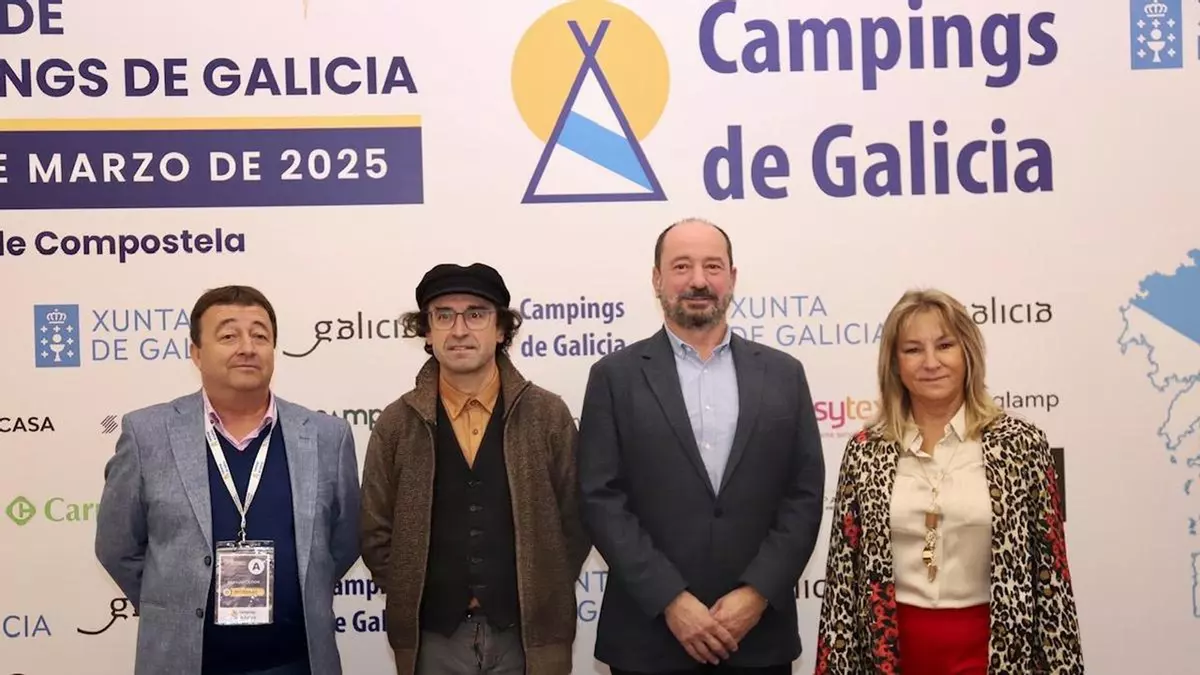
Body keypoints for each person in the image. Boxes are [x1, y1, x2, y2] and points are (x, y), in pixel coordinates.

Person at [576, 218, 826, 674]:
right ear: (657, 279)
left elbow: (804, 496)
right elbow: (601, 499)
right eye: (681, 266)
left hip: (756, 639)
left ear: (732, 276)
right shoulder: (614, 377)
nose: (698, 280)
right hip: (648, 641)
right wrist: (670, 600)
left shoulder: (784, 374)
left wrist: (756, 595)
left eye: (712, 266)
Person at [94, 285, 362, 675]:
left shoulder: (326, 436)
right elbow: (117, 546)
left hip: (297, 662)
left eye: (260, 336)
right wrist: (172, 602)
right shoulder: (146, 434)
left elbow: (344, 541)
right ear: (196, 353)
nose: (247, 348)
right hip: (184, 663)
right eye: (229, 336)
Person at [814, 289, 1084, 674]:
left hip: (996, 655)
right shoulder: (865, 451)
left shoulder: (1021, 445)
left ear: (967, 353)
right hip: (891, 658)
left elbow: (1051, 579)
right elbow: (843, 583)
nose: (931, 362)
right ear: (895, 364)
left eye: (944, 345)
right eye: (913, 350)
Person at [359, 262, 590, 675]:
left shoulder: (547, 415)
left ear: (501, 329)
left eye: (476, 314)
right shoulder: (397, 423)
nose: (459, 330)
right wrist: (412, 591)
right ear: (427, 331)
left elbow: (577, 520)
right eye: (444, 315)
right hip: (432, 640)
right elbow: (375, 530)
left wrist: (543, 589)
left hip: (529, 639)